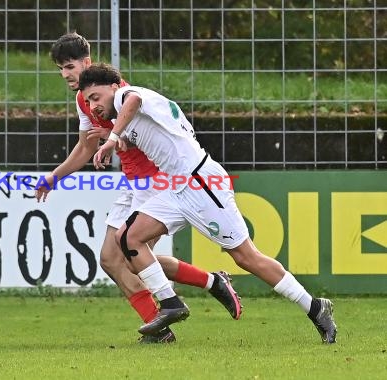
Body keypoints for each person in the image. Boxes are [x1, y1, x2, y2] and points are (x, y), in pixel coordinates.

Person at [78, 62, 338, 344]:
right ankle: (170, 303)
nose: (93, 106)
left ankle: (315, 307)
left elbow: (133, 100)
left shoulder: (129, 95)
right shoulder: (132, 114)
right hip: (176, 186)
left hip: (201, 183)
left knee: (246, 257)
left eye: (96, 97)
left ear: (115, 88)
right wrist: (116, 136)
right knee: (128, 238)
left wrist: (113, 135)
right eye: (88, 101)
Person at [35, 32, 242, 343]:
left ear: (86, 63)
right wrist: (55, 176)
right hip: (133, 183)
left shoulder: (115, 94)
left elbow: (143, 131)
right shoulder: (84, 100)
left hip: (159, 182)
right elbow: (84, 147)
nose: (64, 75)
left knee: (129, 254)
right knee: (111, 259)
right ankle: (196, 296)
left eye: (68, 66)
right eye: (60, 69)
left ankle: (187, 302)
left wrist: (117, 138)